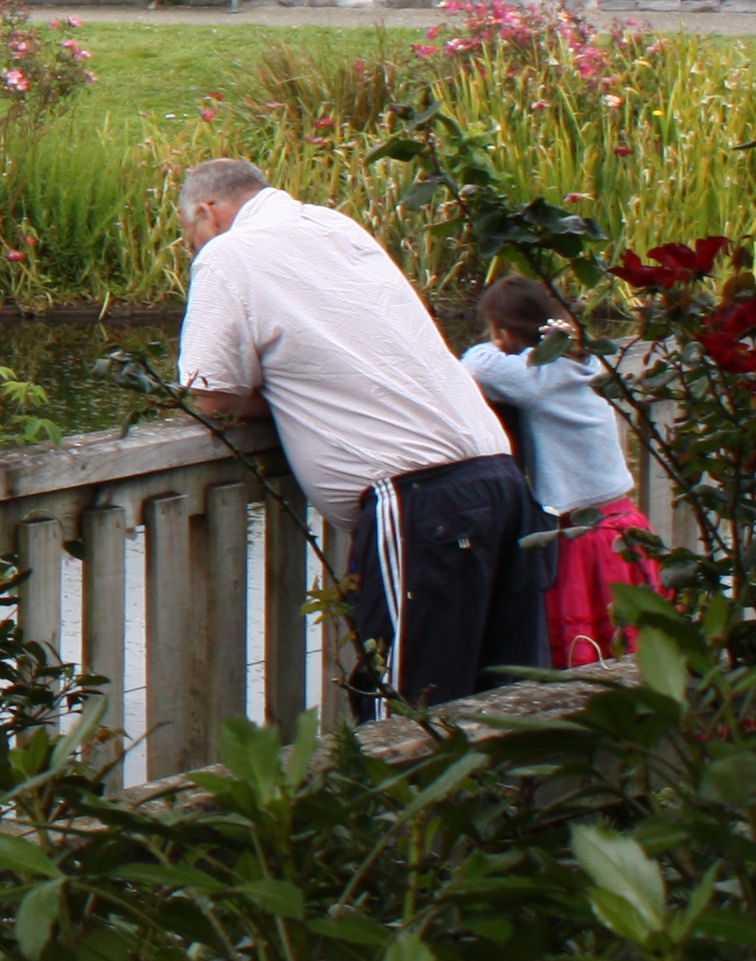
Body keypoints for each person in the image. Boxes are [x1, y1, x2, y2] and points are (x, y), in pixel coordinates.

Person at [175, 156, 540, 709]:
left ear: (209, 210)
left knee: (410, 709)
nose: (192, 248)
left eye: (190, 234)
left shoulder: (230, 253)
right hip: (497, 473)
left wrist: (285, 398)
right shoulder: (335, 226)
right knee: (505, 699)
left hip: (422, 500)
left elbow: (211, 390)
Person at [459, 273, 661, 668]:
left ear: (502, 329)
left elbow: (475, 365)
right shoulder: (584, 363)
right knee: (628, 650)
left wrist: (494, 344)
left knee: (583, 655)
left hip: (582, 534)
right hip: (623, 523)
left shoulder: (538, 378)